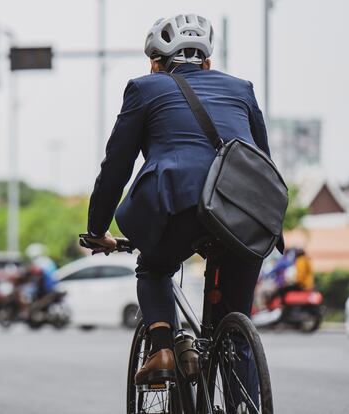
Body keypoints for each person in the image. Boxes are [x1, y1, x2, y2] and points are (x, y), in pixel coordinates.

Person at [84, 14, 283, 388]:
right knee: (235, 325)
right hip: (246, 212)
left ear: (156, 63)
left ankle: (162, 348)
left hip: (178, 204)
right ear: (207, 62)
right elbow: (262, 161)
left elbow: (116, 168)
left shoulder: (145, 89)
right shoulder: (242, 89)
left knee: (154, 268)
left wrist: (97, 230)